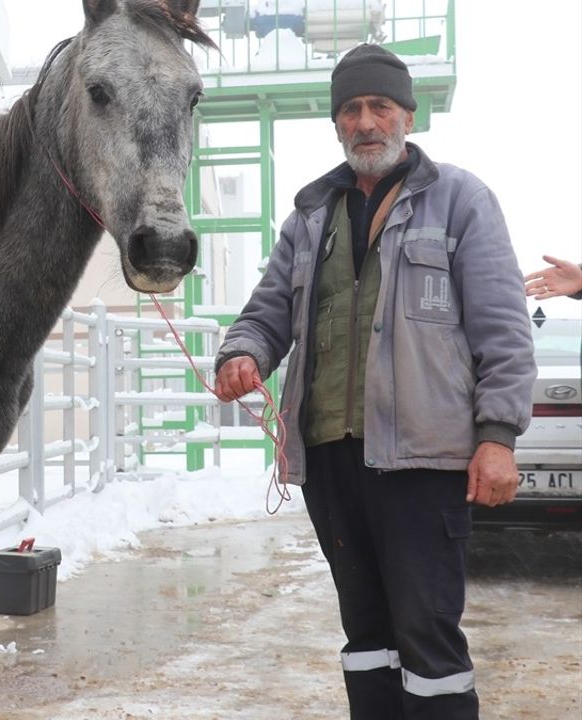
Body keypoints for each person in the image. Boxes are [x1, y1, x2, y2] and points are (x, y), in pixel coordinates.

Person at [214, 44, 535, 719]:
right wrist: (241, 354)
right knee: (364, 635)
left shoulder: (461, 201)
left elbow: (504, 330)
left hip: (423, 458)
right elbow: (268, 310)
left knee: (426, 631)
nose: (365, 121)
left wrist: (498, 434)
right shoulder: (308, 218)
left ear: (408, 116)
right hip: (332, 457)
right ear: (336, 123)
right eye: (351, 109)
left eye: (379, 106)